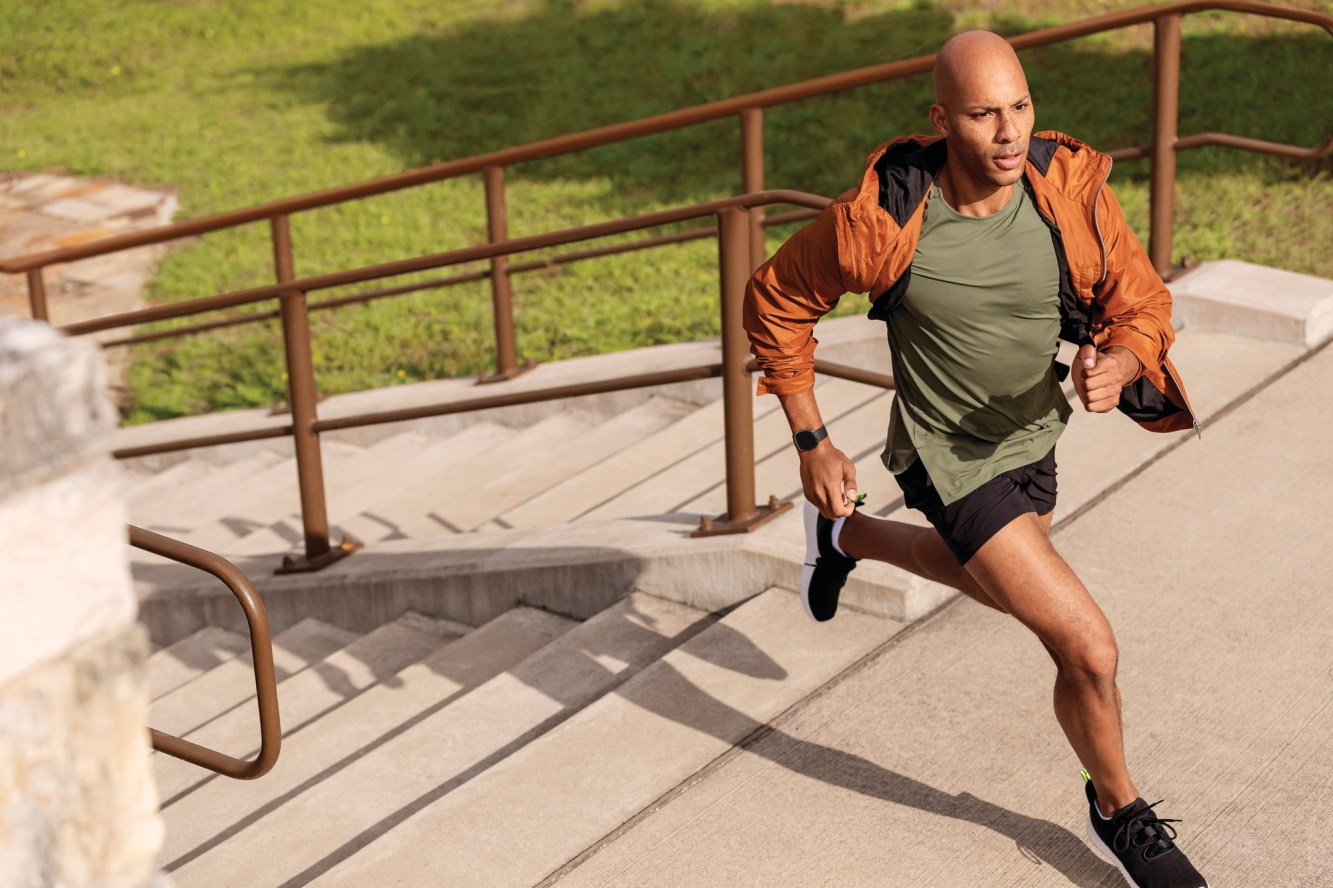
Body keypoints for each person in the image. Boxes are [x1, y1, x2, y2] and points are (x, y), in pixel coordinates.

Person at [744, 30, 1208, 888]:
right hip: (945, 455)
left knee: (996, 588)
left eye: (1019, 106)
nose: (1008, 132)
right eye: (982, 113)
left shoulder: (1063, 190)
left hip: (1032, 434)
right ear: (940, 120)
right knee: (1085, 645)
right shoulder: (881, 221)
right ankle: (1118, 810)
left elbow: (1140, 300)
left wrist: (1120, 361)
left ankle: (842, 539)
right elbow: (775, 300)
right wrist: (812, 439)